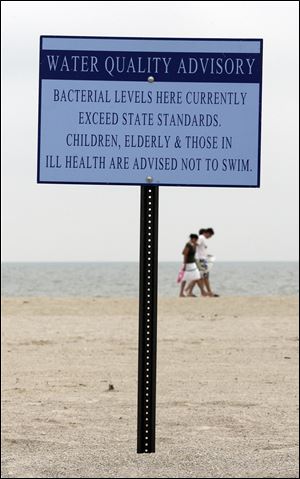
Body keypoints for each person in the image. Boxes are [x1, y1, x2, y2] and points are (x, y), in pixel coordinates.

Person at [186, 228, 219, 297]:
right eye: (210, 235)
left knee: (199, 277)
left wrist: (206, 255)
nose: (210, 237)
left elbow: (199, 248)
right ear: (207, 233)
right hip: (200, 260)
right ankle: (209, 292)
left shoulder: (202, 239)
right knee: (205, 277)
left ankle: (189, 291)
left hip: (201, 259)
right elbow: (194, 244)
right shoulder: (201, 237)